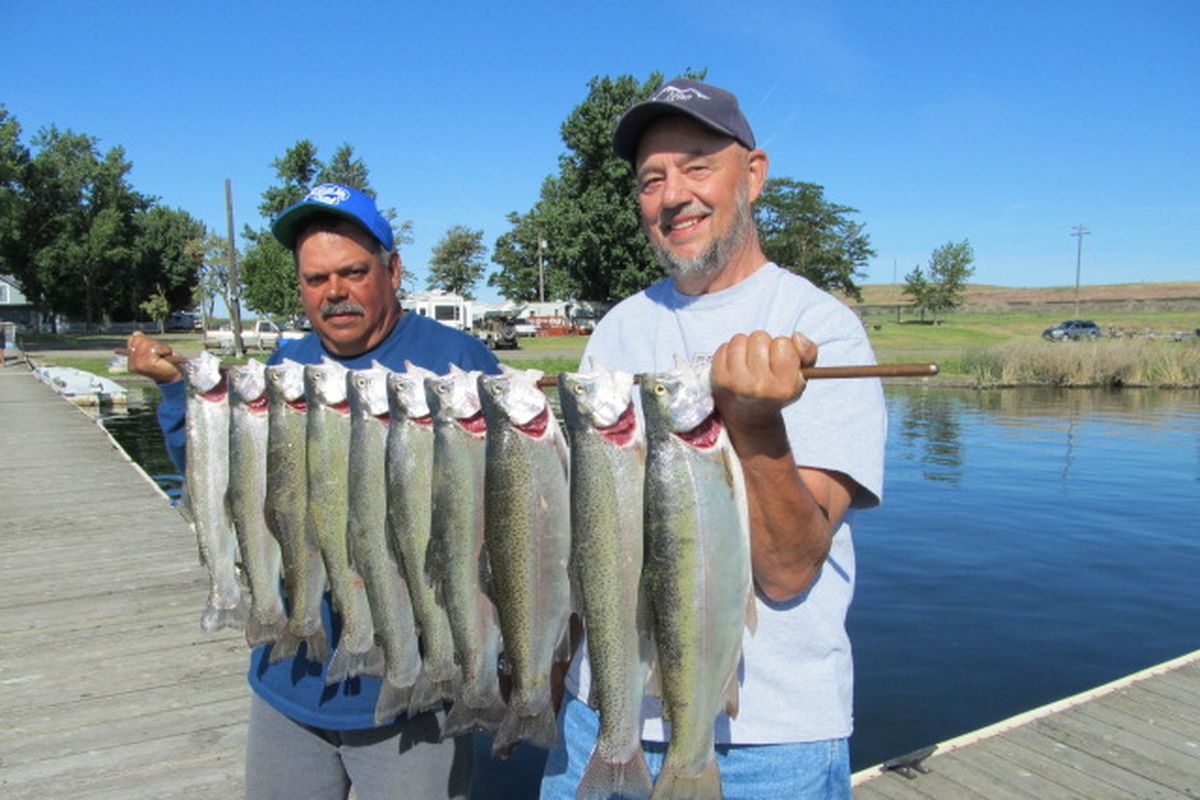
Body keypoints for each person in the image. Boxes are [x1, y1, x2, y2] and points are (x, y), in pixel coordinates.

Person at [539, 79, 887, 799]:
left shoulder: (819, 327)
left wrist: (757, 426)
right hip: (605, 721)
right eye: (652, 179)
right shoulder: (618, 329)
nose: (673, 196)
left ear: (752, 174)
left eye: (698, 165)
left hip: (769, 743)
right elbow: (594, 536)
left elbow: (790, 571)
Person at [126, 183, 501, 800]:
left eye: (353, 272)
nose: (335, 293)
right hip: (289, 683)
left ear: (393, 269)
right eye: (316, 278)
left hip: (414, 697)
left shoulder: (457, 360)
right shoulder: (286, 362)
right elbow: (221, 476)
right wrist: (177, 391)